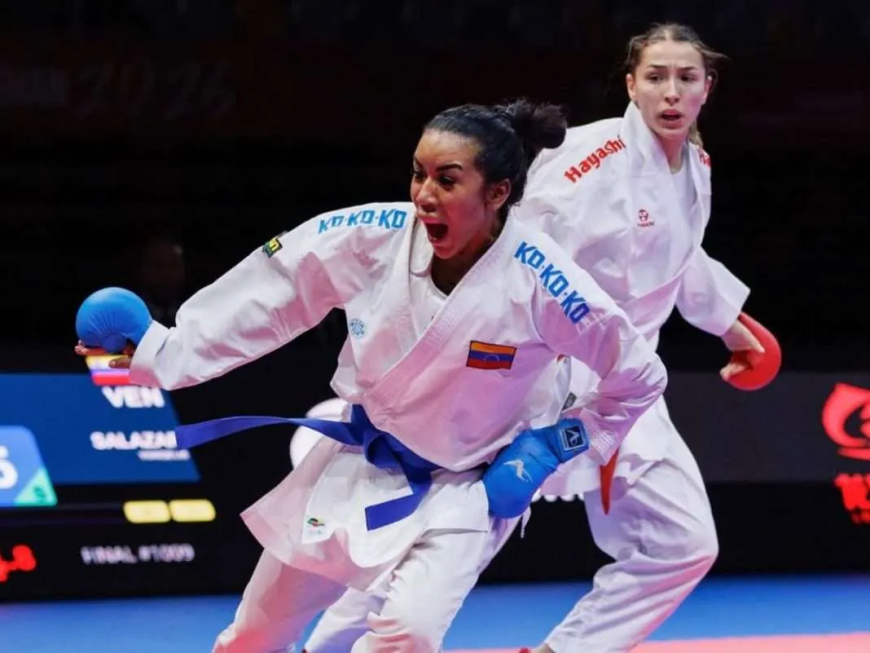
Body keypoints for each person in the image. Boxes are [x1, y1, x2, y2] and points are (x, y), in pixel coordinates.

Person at [74, 99, 669, 653]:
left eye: (447, 179)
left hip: (466, 491)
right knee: (256, 631)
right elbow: (269, 296)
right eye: (418, 173)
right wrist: (162, 350)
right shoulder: (371, 236)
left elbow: (639, 375)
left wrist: (550, 447)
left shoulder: (544, 280)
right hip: (358, 464)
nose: (424, 195)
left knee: (405, 634)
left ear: (498, 193)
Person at [301, 22, 777, 653]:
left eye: (685, 78)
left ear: (706, 87)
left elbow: (680, 258)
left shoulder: (696, 164)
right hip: (542, 376)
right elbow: (501, 243)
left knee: (681, 544)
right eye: (656, 77)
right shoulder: (585, 163)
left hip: (628, 382)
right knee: (455, 534)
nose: (670, 92)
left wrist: (733, 324)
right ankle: (324, 647)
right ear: (631, 84)